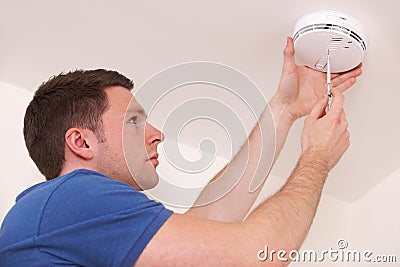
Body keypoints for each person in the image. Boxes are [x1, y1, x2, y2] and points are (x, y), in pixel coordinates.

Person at [0, 37, 362, 266]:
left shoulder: (69, 220)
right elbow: (250, 257)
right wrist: (318, 158)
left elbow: (210, 229)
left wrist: (285, 109)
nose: (157, 134)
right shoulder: (70, 197)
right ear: (81, 143)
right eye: (134, 121)